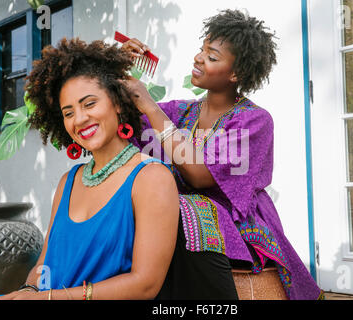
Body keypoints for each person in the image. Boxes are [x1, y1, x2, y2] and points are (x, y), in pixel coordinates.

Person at [121, 9, 324, 300]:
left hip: (237, 226)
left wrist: (151, 107)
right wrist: (118, 68)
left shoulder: (254, 121)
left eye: (212, 57)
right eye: (202, 50)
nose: (198, 58)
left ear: (236, 74)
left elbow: (201, 175)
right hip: (174, 220)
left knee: (189, 210)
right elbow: (122, 121)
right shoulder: (181, 113)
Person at [0, 38, 181, 300]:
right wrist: (27, 291)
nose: (79, 119)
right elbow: (43, 264)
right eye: (68, 113)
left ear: (117, 103)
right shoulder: (69, 180)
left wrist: (49, 298)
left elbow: (145, 285)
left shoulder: (151, 178)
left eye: (89, 104)